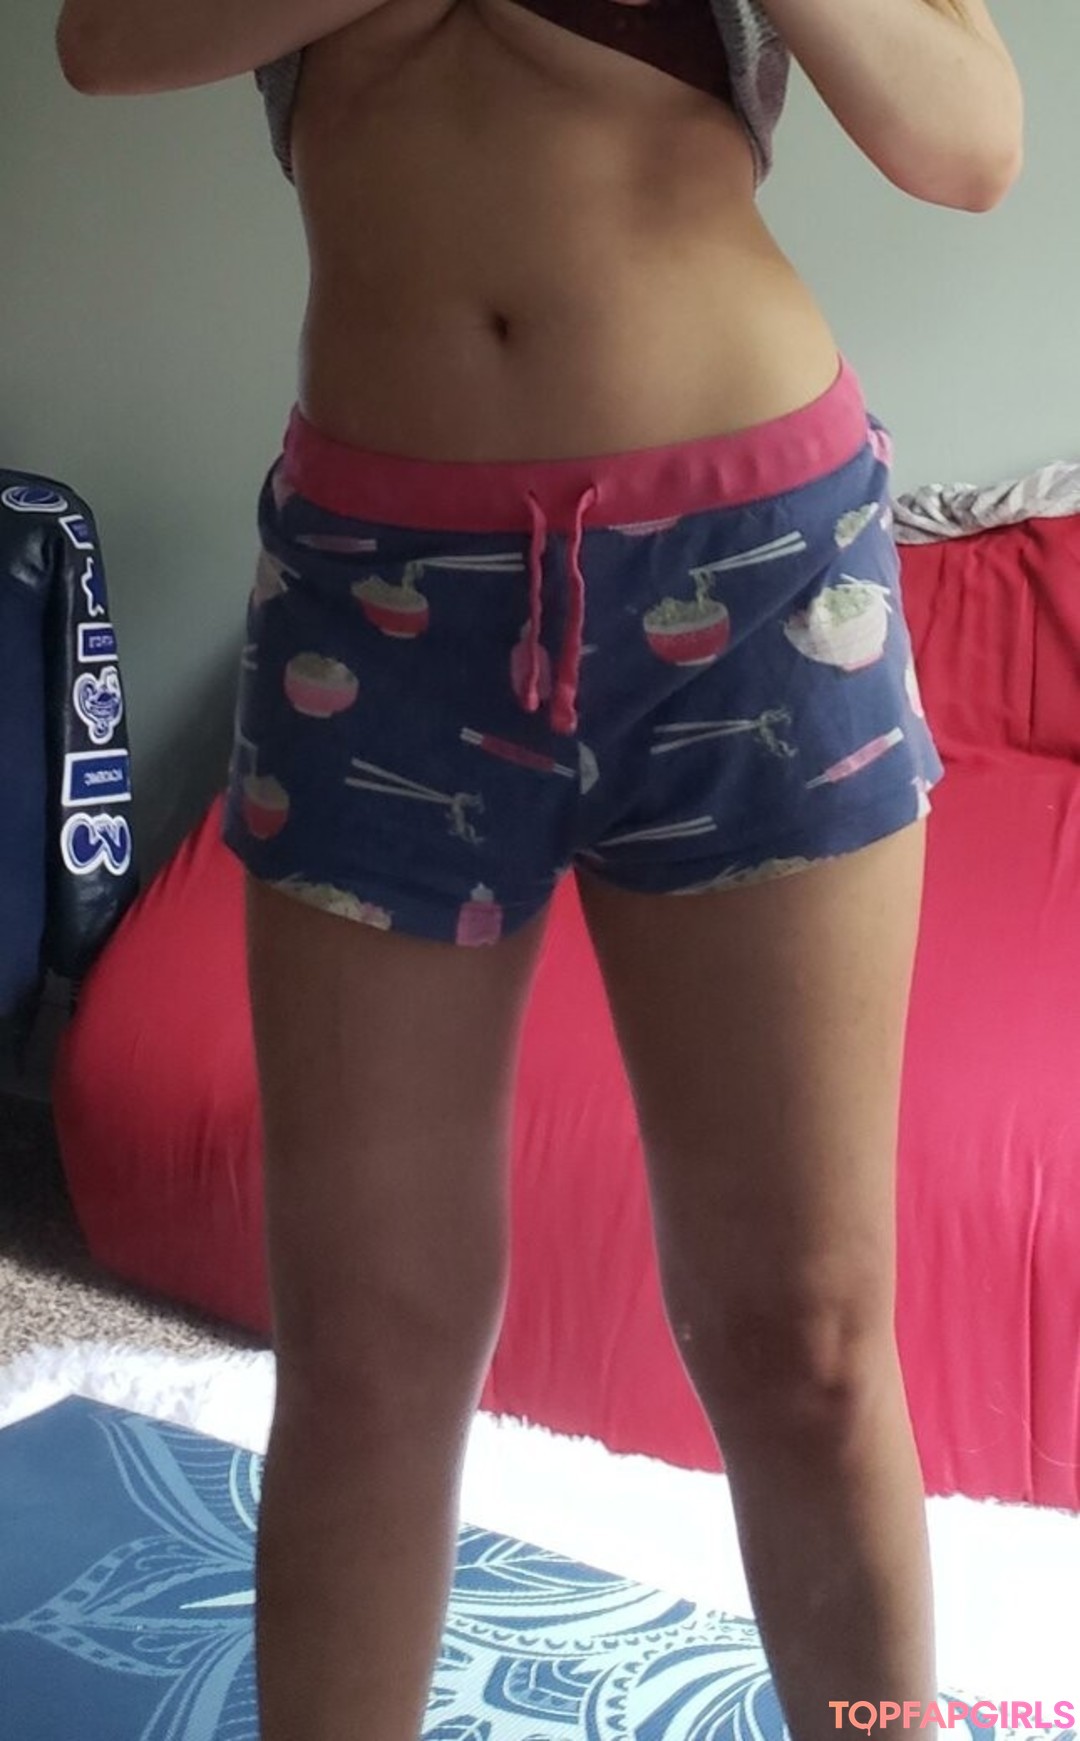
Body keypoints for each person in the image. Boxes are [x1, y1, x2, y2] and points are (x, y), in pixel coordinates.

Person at [54, 0, 1023, 1735]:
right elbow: (106, 40)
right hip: (377, 599)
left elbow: (969, 141)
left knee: (804, 1339)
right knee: (368, 1345)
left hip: (755, 569)